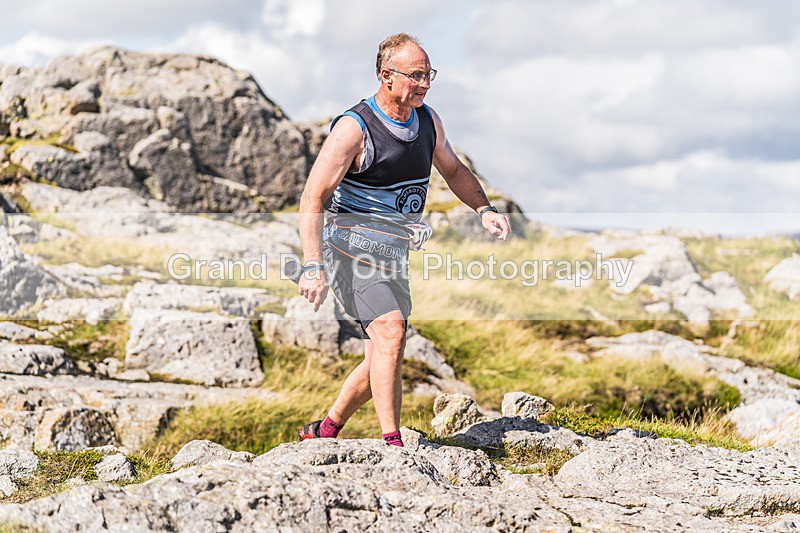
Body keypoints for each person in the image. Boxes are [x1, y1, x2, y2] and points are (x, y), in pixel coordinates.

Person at [297, 33, 511, 447]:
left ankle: (324, 430)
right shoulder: (354, 128)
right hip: (348, 249)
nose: (425, 84)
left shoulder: (428, 121)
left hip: (392, 255)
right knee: (392, 333)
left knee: (382, 352)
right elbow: (313, 196)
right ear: (386, 76)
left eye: (429, 74)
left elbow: (452, 169)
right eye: (416, 76)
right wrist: (312, 262)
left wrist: (484, 209)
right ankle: (392, 443)